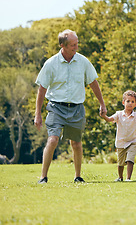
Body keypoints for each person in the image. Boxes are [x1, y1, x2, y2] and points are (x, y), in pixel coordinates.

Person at [34, 29, 107, 184]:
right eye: (73, 45)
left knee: (76, 143)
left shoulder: (83, 62)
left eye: (77, 43)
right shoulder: (51, 64)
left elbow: (93, 83)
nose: (76, 47)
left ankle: (78, 176)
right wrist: (37, 114)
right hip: (56, 107)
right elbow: (42, 89)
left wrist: (102, 104)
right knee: (53, 140)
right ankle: (43, 177)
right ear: (63, 45)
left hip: (76, 108)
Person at [100, 90, 136, 182]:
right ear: (123, 102)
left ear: (135, 104)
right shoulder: (118, 114)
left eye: (132, 102)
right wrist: (104, 116)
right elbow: (109, 119)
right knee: (120, 163)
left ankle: (128, 178)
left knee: (130, 159)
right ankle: (120, 177)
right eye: (128, 101)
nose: (130, 103)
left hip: (132, 141)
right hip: (121, 142)